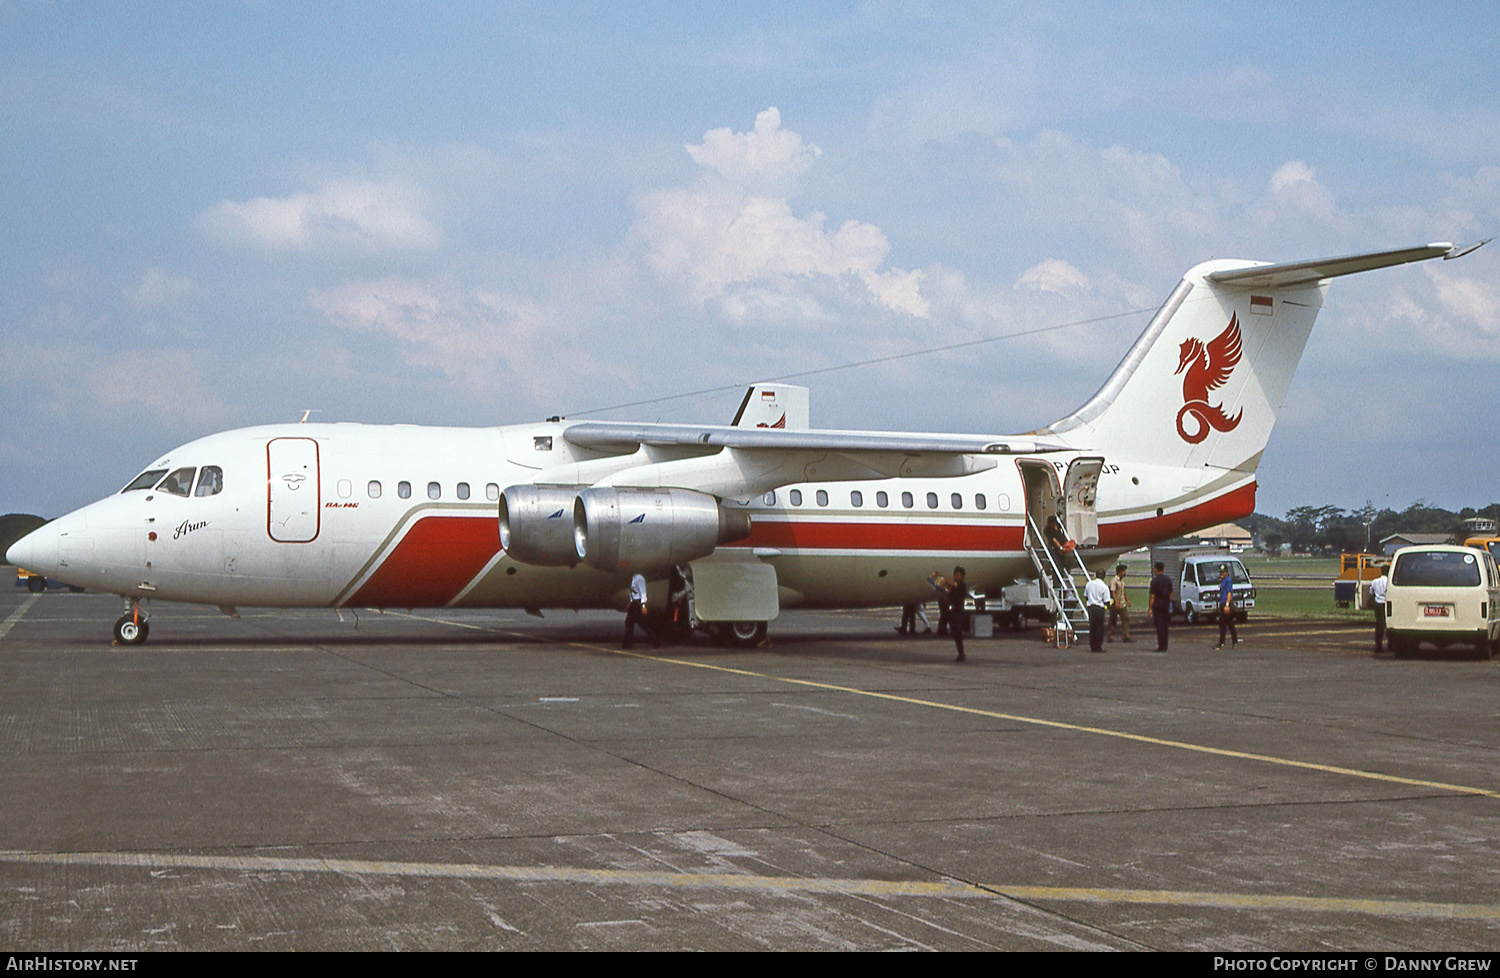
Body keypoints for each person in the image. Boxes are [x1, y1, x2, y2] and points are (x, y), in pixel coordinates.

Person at [622, 572, 659, 649]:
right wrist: (630, 603)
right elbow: (633, 593)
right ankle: (627, 644)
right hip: (634, 603)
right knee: (633, 623)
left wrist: (643, 606)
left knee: (637, 623)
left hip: (638, 603)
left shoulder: (639, 579)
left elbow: (643, 593)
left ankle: (656, 640)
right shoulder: (633, 578)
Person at [1083, 570, 1111, 653]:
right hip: (1099, 608)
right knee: (1099, 627)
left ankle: (1092, 645)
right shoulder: (1104, 587)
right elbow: (1107, 601)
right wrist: (1108, 607)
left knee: (1092, 627)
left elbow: (1086, 595)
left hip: (1091, 607)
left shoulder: (1089, 584)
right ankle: (1098, 646)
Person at [1148, 561, 1173, 651]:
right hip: (1166, 605)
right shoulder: (1168, 580)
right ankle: (1165, 645)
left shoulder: (1154, 581)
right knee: (1165, 627)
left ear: (1155, 569)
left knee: (1159, 627)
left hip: (1157, 606)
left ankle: (1161, 646)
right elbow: (1171, 595)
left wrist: (1150, 608)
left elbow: (1153, 596)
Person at [1213, 564, 1239, 650]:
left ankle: (1222, 642)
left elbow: (1229, 593)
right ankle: (1234, 642)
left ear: (1227, 573)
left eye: (1223, 572)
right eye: (1220, 572)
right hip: (1222, 603)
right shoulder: (1224, 581)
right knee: (1227, 624)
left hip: (1226, 604)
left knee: (1225, 624)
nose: (1221, 574)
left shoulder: (1228, 580)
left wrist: (1227, 605)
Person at [948, 566, 969, 662]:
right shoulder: (954, 587)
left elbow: (955, 585)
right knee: (955, 633)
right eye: (955, 575)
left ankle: (961, 653)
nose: (955, 577)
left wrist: (942, 579)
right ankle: (960, 653)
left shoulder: (962, 585)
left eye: (958, 575)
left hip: (959, 611)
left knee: (958, 633)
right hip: (954, 610)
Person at [1107, 563, 1132, 643]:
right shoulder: (1114, 581)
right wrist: (1116, 602)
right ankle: (1110, 635)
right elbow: (1113, 592)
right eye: (1124, 571)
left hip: (1122, 604)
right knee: (1113, 620)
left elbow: (1123, 592)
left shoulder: (1122, 582)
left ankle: (1126, 636)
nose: (1125, 573)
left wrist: (1127, 600)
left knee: (1126, 619)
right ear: (1120, 572)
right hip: (1115, 604)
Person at [1370, 563, 1390, 653]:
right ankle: (1391, 645)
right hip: (1387, 604)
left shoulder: (1374, 582)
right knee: (1389, 624)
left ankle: (1378, 646)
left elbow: (1371, 593)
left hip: (1378, 604)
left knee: (1379, 625)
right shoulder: (1390, 581)